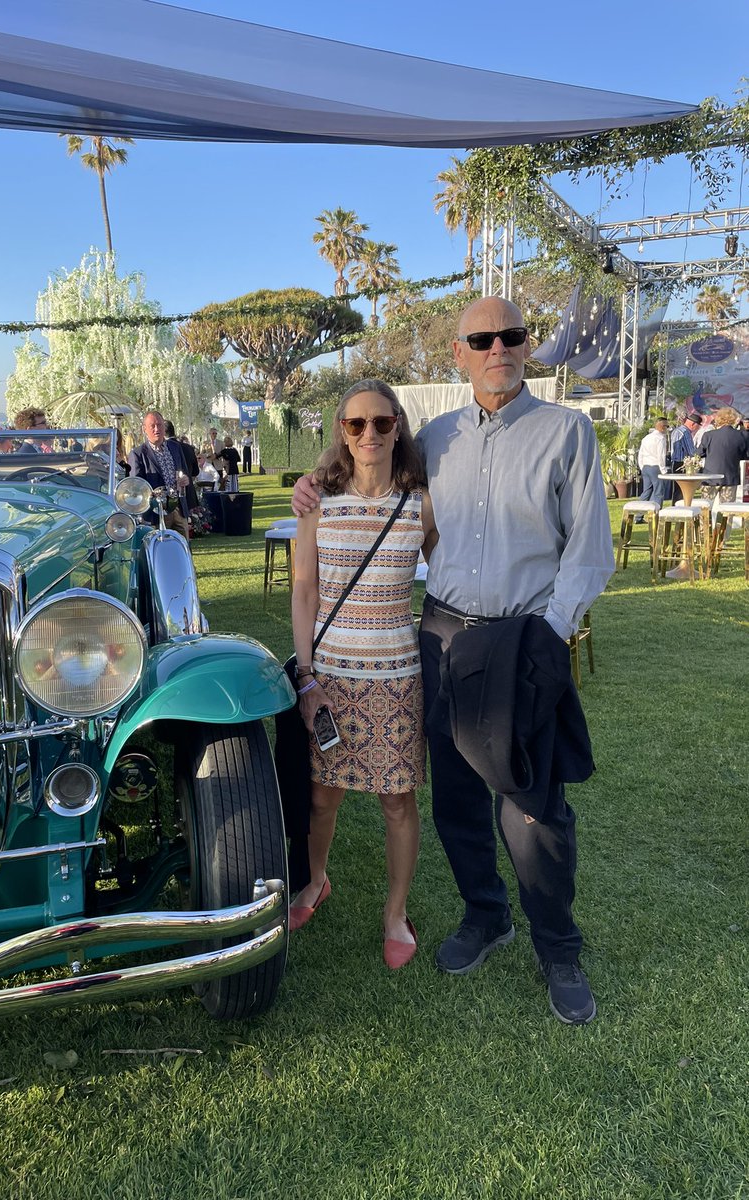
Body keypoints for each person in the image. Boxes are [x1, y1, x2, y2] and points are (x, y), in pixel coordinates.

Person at [293, 297, 615, 1024]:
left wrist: (550, 632)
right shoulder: (434, 438)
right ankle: (485, 915)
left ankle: (558, 946)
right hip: (440, 637)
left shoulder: (567, 432)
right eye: (481, 338)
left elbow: (591, 549)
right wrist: (312, 484)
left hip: (522, 638)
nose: (497, 346)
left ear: (526, 347)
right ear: (460, 351)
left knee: (533, 806)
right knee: (458, 799)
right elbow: (365, 469)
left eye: (510, 335)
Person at [290, 380, 437, 970]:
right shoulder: (316, 501)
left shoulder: (422, 503)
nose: (369, 434)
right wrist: (305, 676)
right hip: (331, 679)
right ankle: (316, 881)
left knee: (398, 803)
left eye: (381, 423)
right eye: (356, 425)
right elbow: (304, 589)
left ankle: (395, 912)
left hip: (399, 676)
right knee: (323, 799)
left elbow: (452, 574)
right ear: (342, 433)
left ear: (398, 426)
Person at [127, 409, 191, 539]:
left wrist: (185, 480)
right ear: (144, 429)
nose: (157, 429)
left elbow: (185, 472)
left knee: (183, 550)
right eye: (152, 426)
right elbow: (136, 486)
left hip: (178, 508)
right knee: (161, 551)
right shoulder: (138, 454)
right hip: (156, 514)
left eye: (160, 425)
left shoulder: (175, 447)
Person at [698, 406, 749, 503]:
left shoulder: (709, 435)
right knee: (727, 509)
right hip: (730, 477)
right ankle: (726, 519)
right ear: (734, 419)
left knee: (705, 507)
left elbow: (699, 453)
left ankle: (705, 519)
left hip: (710, 477)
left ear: (718, 419)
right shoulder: (743, 435)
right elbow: (746, 455)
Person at [669, 411, 704, 505]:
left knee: (677, 490)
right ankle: (681, 510)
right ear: (693, 424)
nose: (697, 429)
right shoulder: (686, 432)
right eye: (698, 426)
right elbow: (692, 451)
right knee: (683, 490)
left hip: (675, 463)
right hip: (683, 464)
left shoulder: (676, 430)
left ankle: (675, 509)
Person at [636, 418, 669, 509]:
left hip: (646, 467)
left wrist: (642, 466)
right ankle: (656, 513)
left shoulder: (646, 438)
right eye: (667, 426)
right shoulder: (660, 438)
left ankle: (639, 515)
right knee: (658, 492)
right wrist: (663, 470)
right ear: (662, 427)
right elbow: (661, 455)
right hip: (655, 467)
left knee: (646, 491)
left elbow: (640, 454)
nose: (667, 428)